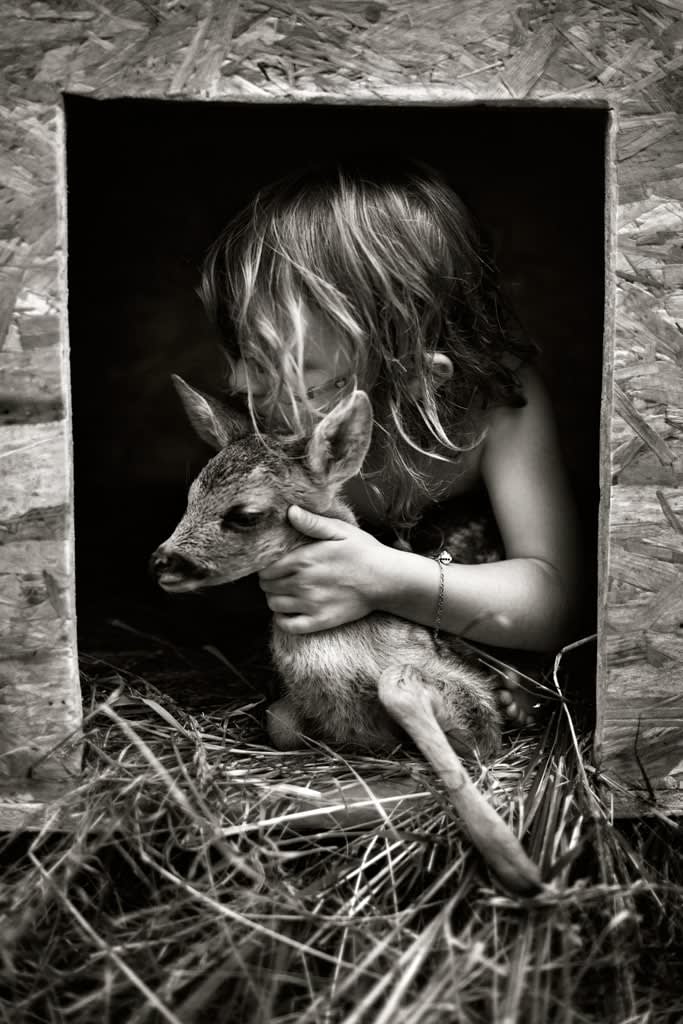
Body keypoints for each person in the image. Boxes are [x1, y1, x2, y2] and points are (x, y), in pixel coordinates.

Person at [198, 157, 582, 726]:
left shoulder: (498, 406)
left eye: (277, 362)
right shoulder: (270, 424)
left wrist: (386, 581)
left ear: (409, 371)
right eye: (241, 354)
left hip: (471, 627)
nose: (238, 385)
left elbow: (558, 604)